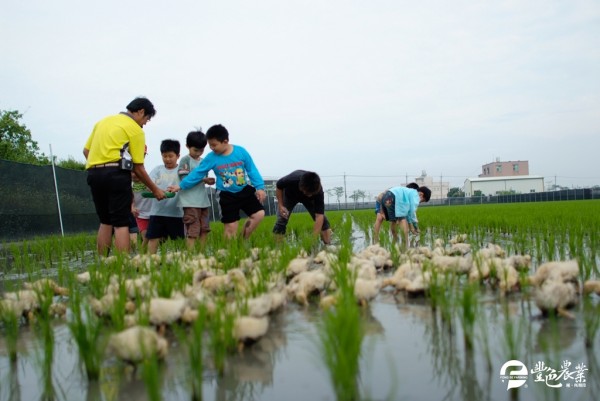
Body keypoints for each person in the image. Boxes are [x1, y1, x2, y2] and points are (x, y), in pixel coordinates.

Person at [83, 97, 165, 256]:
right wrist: (155, 190)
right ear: (141, 111)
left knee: (105, 221)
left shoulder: (103, 122)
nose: (145, 123)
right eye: (147, 118)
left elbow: (86, 151)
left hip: (94, 173)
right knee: (121, 223)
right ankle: (123, 264)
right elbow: (139, 167)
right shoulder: (135, 129)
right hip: (117, 175)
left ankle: (103, 262)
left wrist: (100, 165)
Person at [168, 124, 266, 240]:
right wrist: (180, 186)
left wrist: (259, 187)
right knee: (231, 226)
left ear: (225, 141)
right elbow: (197, 173)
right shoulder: (211, 157)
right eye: (210, 145)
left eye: (214, 145)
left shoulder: (241, 152)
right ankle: (229, 253)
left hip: (243, 189)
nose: (212, 148)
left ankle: (242, 241)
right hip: (226, 194)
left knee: (259, 214)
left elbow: (251, 170)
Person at [177, 130, 216, 249]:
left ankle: (201, 252)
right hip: (190, 201)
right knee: (193, 228)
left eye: (201, 150)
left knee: (204, 228)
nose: (198, 153)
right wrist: (203, 180)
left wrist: (208, 180)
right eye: (195, 150)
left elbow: (203, 177)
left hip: (202, 201)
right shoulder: (185, 160)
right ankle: (191, 255)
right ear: (187, 146)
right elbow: (184, 179)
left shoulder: (203, 161)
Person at [146, 139, 185, 254]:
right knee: (153, 239)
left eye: (170, 156)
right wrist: (156, 190)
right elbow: (149, 185)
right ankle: (150, 261)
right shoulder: (157, 170)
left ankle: (181, 261)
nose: (167, 159)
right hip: (157, 212)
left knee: (179, 240)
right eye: (164, 156)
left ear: (178, 156)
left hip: (176, 213)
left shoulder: (181, 170)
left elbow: (187, 184)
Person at [272, 170, 332, 244]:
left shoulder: (318, 192)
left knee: (324, 222)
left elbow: (319, 216)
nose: (307, 195)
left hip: (309, 201)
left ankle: (328, 244)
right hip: (290, 195)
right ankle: (278, 248)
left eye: (310, 194)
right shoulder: (292, 179)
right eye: (306, 192)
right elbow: (279, 186)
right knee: (281, 219)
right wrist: (280, 205)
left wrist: (313, 239)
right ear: (301, 186)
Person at [131, 171, 153, 249]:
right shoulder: (130, 187)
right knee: (146, 237)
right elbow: (131, 200)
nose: (134, 174)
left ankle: (148, 254)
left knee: (154, 237)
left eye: (136, 172)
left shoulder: (149, 182)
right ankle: (142, 255)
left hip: (153, 214)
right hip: (140, 215)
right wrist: (132, 208)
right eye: (132, 172)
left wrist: (151, 187)